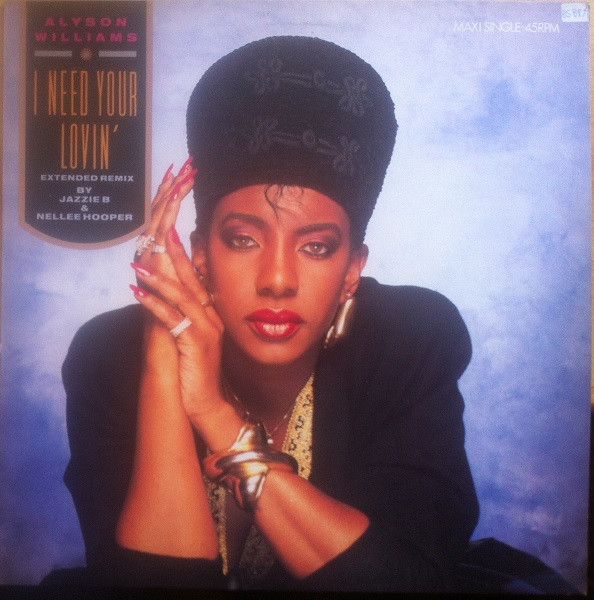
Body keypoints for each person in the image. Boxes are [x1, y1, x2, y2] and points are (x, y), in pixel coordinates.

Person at [62, 36, 479, 592]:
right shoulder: (107, 357)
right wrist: (163, 349)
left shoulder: (410, 339)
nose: (278, 279)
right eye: (243, 239)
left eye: (316, 247)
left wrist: (216, 418)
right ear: (200, 255)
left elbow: (408, 581)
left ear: (352, 269)